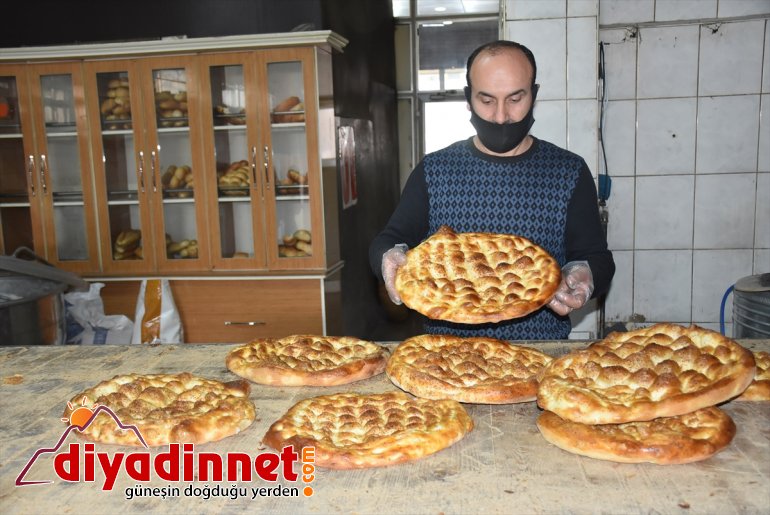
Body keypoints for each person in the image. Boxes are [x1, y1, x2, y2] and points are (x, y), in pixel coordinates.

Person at [368, 40, 615, 340]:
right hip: (447, 355)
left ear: (533, 95)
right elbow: (389, 239)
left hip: (538, 351)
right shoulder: (434, 170)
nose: (500, 116)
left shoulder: (568, 171)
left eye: (515, 99)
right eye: (486, 100)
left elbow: (597, 257)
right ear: (468, 98)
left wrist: (585, 275)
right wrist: (387, 256)